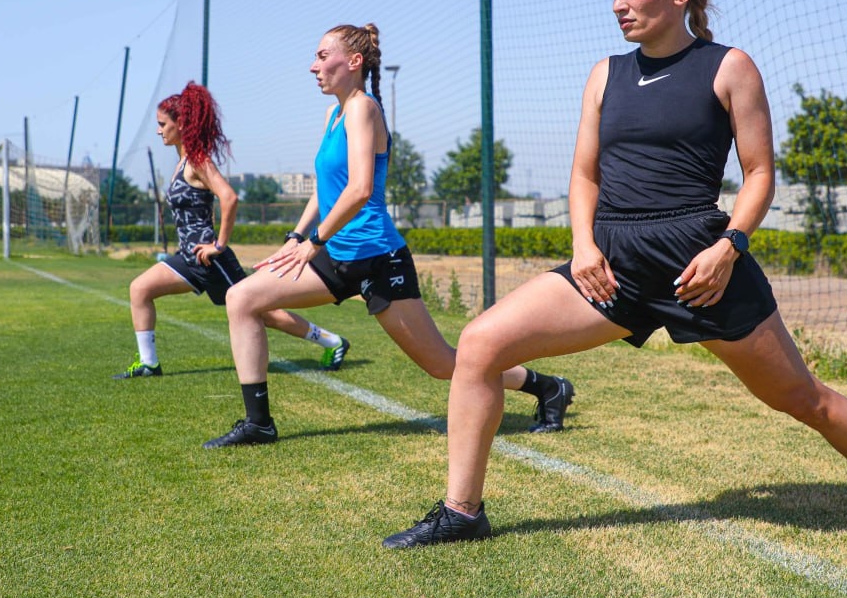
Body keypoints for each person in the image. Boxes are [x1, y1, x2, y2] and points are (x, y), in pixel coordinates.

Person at [384, 0, 847, 547]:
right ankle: (462, 512)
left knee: (802, 398)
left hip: (699, 267)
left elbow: (759, 174)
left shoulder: (729, 66)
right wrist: (584, 246)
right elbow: (584, 175)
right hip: (610, 265)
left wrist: (729, 248)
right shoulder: (605, 75)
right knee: (481, 343)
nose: (619, 4)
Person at [204, 24, 575, 448]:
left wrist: (314, 242)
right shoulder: (334, 114)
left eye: (322, 56)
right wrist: (296, 236)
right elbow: (327, 189)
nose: (313, 66)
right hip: (334, 253)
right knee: (242, 298)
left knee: (442, 364)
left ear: (354, 61)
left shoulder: (364, 108)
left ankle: (548, 387)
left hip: (377, 258)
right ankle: (258, 424)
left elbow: (360, 189)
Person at [116, 81, 350, 379]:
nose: (158, 130)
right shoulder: (181, 161)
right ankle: (149, 364)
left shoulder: (198, 161)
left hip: (210, 260)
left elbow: (229, 197)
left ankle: (332, 341)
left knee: (264, 313)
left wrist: (219, 245)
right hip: (188, 257)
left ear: (181, 124)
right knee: (140, 288)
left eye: (163, 124)